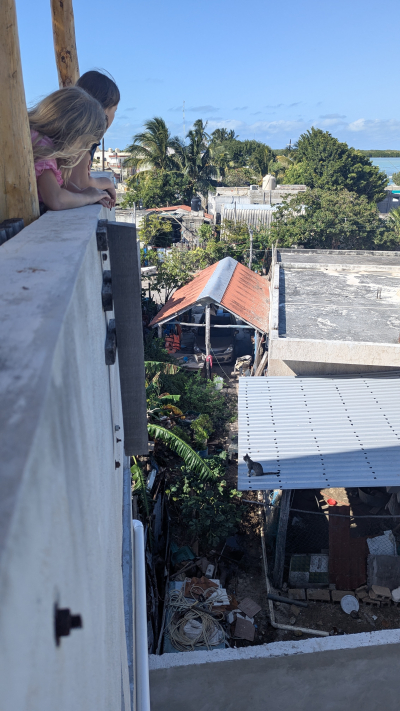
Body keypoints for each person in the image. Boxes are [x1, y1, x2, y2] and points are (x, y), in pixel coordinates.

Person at [29, 86, 112, 211]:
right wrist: (87, 197)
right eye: (86, 145)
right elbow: (56, 199)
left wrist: (83, 192)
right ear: (73, 137)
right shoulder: (42, 149)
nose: (83, 151)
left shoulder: (36, 138)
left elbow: (58, 185)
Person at [70, 70, 120, 205]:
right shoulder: (83, 136)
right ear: (104, 110)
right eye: (114, 110)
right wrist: (107, 183)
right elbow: (80, 182)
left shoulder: (68, 128)